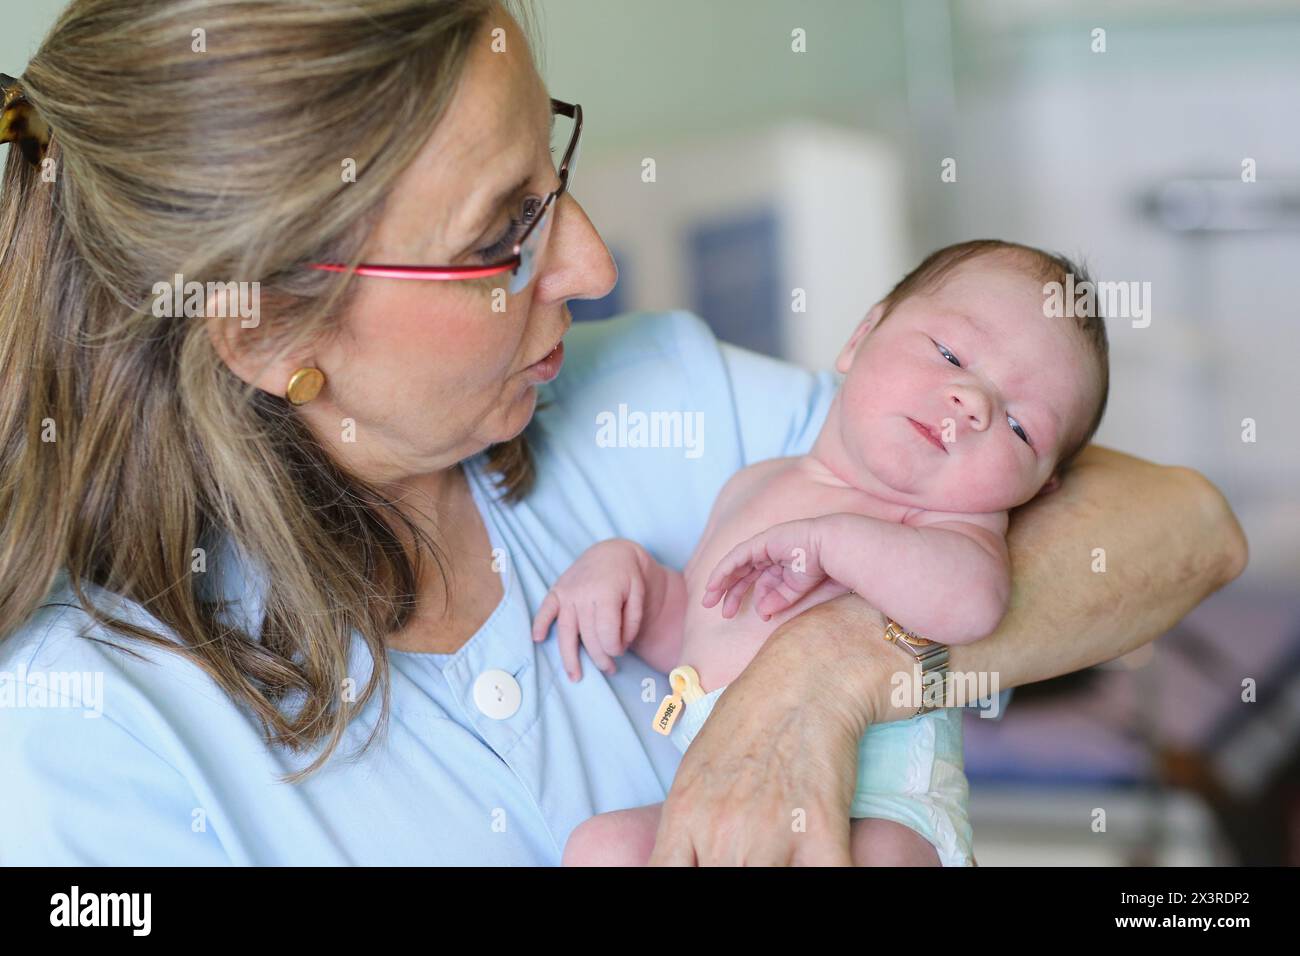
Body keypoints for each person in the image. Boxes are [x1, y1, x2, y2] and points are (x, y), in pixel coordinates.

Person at [0, 0, 1246, 866]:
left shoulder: (658, 396)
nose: (589, 262)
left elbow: (1186, 528)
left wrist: (819, 681)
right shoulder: (88, 739)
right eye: (502, 234)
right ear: (266, 331)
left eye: (554, 180)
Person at [550, 239, 1110, 866]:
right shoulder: (756, 483)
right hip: (725, 807)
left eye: (1020, 427)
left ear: (1041, 486)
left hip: (886, 814)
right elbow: (708, 625)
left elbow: (973, 605)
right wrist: (639, 584)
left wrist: (834, 542)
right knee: (602, 847)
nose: (973, 403)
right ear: (861, 335)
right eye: (951, 354)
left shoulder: (958, 527)